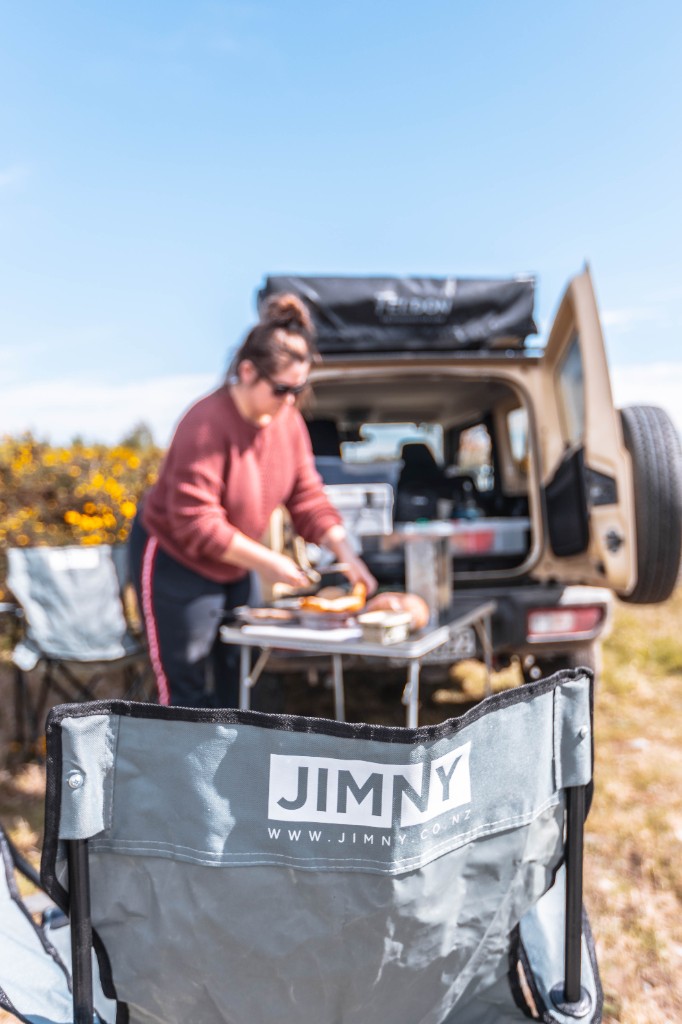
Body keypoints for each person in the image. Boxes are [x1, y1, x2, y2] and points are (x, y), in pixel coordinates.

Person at [129, 293, 377, 708]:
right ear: (247, 372)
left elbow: (306, 495)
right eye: (281, 389)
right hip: (178, 562)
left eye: (299, 389)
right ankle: (182, 771)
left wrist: (347, 554)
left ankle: (230, 771)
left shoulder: (288, 422)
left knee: (239, 675)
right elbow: (197, 521)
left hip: (236, 566)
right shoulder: (204, 424)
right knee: (186, 685)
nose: (291, 400)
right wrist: (270, 563)